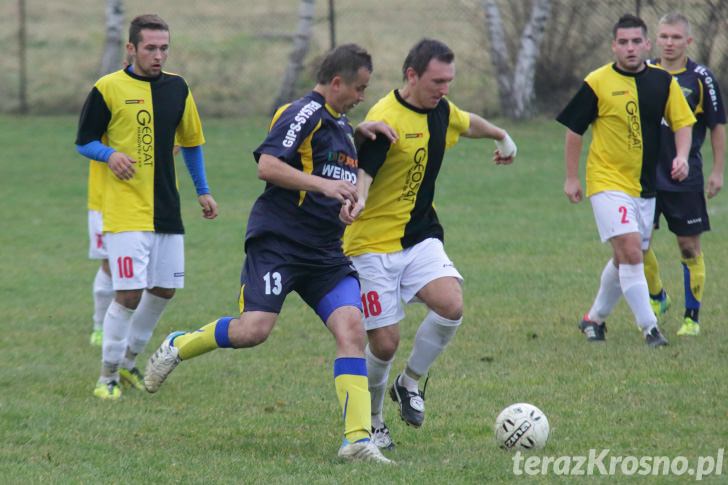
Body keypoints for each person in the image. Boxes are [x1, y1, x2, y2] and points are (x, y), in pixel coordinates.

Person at [143, 43, 395, 464]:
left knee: (352, 331)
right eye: (359, 88)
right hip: (279, 245)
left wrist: (347, 199)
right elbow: (268, 166)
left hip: (325, 254)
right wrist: (325, 186)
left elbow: (337, 177)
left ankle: (356, 440)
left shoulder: (343, 125)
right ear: (336, 83)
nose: (362, 96)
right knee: (252, 331)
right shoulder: (301, 112)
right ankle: (178, 344)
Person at [340, 38, 517, 450]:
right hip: (370, 244)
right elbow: (365, 169)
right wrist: (360, 199)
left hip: (419, 234)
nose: (444, 88)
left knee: (451, 304)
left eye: (449, 81)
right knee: (384, 343)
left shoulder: (439, 109)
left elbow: (464, 121)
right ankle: (375, 418)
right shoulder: (384, 117)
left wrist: (501, 135)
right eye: (437, 80)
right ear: (411, 75)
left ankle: (411, 382)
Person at [75, 14, 218, 400]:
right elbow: (83, 140)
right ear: (132, 48)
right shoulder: (107, 88)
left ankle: (129, 362)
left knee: (164, 289)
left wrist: (202, 190)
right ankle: (106, 375)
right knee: (129, 294)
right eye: (151, 48)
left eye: (164, 48)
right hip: (124, 210)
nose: (158, 55)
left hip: (166, 208)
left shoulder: (178, 88)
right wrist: (109, 155)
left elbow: (191, 142)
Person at [556, 14, 696, 347]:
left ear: (647, 45)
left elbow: (683, 123)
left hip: (645, 186)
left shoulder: (662, 81)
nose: (630, 48)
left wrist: (682, 156)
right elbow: (574, 130)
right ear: (613, 46)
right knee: (633, 252)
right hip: (606, 182)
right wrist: (572, 178)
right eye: (623, 42)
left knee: (625, 256)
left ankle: (594, 319)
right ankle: (650, 328)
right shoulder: (597, 81)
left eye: (636, 42)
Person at [643, 12, 726, 336]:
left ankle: (691, 317)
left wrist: (717, 172)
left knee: (688, 246)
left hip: (683, 176)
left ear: (687, 41)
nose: (669, 42)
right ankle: (656, 294)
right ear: (656, 39)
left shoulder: (702, 78)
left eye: (676, 37)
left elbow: (717, 127)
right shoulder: (646, 72)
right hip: (646, 174)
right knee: (638, 242)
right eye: (663, 36)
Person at [85, 54, 138, 348]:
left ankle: (120, 327)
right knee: (110, 265)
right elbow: (86, 141)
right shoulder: (106, 96)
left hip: (141, 201)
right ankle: (99, 326)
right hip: (105, 199)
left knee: (136, 272)